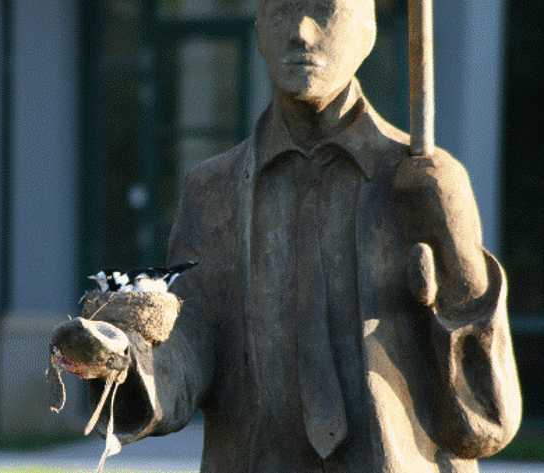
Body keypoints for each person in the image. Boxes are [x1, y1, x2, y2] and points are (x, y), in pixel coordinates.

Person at [85, 0, 522, 471]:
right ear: (257, 31)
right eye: (281, 12)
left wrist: (457, 262)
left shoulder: (426, 185)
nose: (301, 33)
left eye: (325, 10)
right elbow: (191, 350)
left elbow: (485, 423)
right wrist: (123, 360)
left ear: (367, 31)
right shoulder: (210, 194)